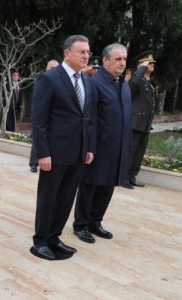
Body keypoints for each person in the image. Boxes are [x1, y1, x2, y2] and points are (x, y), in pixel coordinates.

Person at [30, 35, 94, 261]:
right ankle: (40, 241)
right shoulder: (49, 79)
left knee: (67, 198)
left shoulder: (85, 80)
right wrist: (43, 152)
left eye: (88, 52)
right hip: (54, 153)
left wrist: (89, 147)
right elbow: (39, 120)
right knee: (48, 198)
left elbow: (87, 118)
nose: (86, 56)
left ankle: (54, 237)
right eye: (82, 52)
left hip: (77, 152)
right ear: (67, 53)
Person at [73, 43, 132, 244]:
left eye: (124, 59)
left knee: (108, 185)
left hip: (117, 146)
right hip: (97, 147)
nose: (122, 63)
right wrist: (90, 147)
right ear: (105, 60)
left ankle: (95, 221)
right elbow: (88, 119)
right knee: (90, 186)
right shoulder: (94, 83)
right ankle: (81, 224)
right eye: (118, 59)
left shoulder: (122, 84)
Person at [122, 51, 157, 189]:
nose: (152, 64)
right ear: (140, 65)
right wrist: (141, 68)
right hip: (135, 123)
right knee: (131, 151)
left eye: (152, 62)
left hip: (145, 124)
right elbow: (133, 83)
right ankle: (123, 177)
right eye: (148, 62)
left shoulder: (149, 82)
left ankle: (132, 176)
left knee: (139, 152)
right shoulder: (137, 81)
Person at [29, 60, 59, 173]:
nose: (53, 70)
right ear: (46, 68)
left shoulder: (60, 81)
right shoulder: (42, 80)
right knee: (37, 141)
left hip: (53, 121)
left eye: (56, 67)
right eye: (51, 68)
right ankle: (33, 163)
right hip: (41, 118)